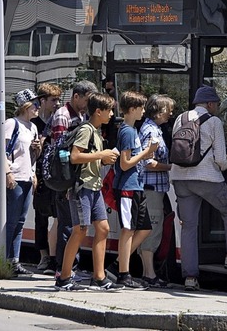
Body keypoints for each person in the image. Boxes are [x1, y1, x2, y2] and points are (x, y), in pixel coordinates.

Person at [170, 85, 227, 292]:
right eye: (215, 103)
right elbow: (221, 160)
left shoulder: (180, 119)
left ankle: (190, 277)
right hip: (207, 178)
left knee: (189, 227)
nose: (216, 106)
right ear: (209, 104)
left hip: (180, 178)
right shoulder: (214, 121)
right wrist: (224, 163)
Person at [54, 92, 123, 291]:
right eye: (109, 110)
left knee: (103, 228)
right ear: (98, 111)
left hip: (94, 186)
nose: (111, 114)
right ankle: (64, 277)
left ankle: (99, 277)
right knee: (80, 230)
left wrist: (103, 158)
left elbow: (89, 157)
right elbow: (75, 157)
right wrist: (101, 155)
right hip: (82, 186)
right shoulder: (86, 129)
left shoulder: (96, 130)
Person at [109, 91, 158, 289]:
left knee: (144, 227)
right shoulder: (128, 131)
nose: (144, 111)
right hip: (128, 187)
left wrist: (145, 155)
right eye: (141, 107)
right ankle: (123, 273)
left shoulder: (131, 130)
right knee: (128, 230)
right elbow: (125, 163)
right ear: (132, 109)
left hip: (135, 185)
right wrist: (147, 153)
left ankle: (119, 266)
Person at [50, 80, 98, 281]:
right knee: (68, 224)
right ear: (76, 96)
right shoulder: (63, 114)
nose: (88, 104)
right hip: (66, 176)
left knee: (74, 224)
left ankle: (71, 269)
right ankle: (65, 270)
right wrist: (67, 181)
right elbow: (61, 148)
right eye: (86, 100)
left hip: (75, 175)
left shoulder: (80, 114)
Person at [138, 94, 175, 288]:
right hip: (151, 188)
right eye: (168, 110)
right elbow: (148, 162)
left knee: (150, 229)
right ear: (159, 111)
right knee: (151, 230)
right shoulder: (152, 132)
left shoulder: (152, 129)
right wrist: (171, 168)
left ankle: (147, 272)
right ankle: (149, 273)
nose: (170, 114)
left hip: (152, 187)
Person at [4, 88, 42, 276]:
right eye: (35, 104)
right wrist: (7, 172)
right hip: (16, 176)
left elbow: (32, 155)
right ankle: (6, 260)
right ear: (25, 106)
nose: (38, 108)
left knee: (20, 221)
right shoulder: (12, 124)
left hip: (27, 176)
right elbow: (0, 149)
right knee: (12, 220)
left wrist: (37, 150)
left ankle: (15, 261)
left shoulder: (33, 127)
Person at [31, 83, 63, 275]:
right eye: (53, 100)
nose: (57, 104)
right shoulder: (34, 122)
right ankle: (43, 255)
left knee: (58, 214)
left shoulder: (56, 119)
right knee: (41, 216)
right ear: (42, 100)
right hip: (39, 173)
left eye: (58, 100)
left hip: (53, 172)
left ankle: (54, 255)